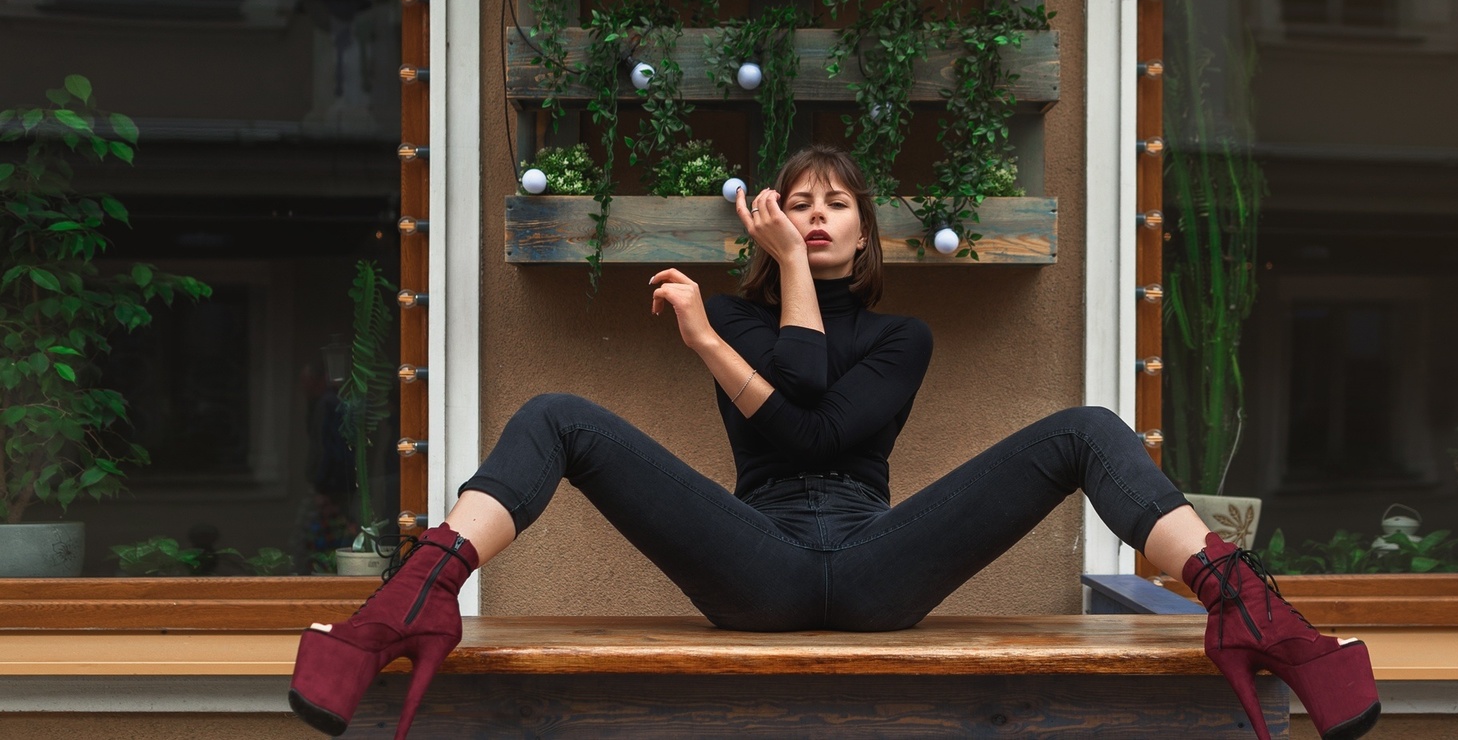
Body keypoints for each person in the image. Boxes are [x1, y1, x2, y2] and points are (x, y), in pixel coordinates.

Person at [288, 146, 1380, 740]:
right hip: (752, 567)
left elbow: (821, 421)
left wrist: (714, 334)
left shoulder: (902, 335)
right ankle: (410, 600)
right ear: (770, 221)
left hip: (874, 567)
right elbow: (795, 399)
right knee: (557, 414)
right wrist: (730, 332)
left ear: (866, 230)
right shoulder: (758, 323)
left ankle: (1252, 612)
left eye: (834, 206)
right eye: (796, 204)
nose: (813, 216)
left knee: (1087, 429)